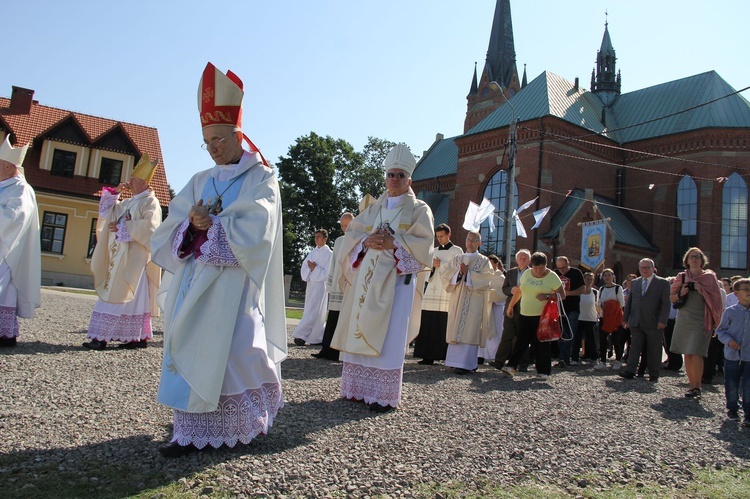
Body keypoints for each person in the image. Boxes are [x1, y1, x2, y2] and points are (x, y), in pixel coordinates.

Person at [150, 62, 286, 456]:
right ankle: (190, 431)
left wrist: (216, 226)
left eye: (220, 140)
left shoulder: (262, 177)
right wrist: (192, 226)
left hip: (233, 287)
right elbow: (169, 230)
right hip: (195, 283)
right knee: (187, 342)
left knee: (234, 353)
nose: (213, 148)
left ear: (238, 134)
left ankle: (242, 424)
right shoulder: (199, 179)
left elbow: (259, 228)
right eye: (207, 141)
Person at [330, 143, 434, 412]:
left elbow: (424, 244)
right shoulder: (374, 208)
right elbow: (352, 234)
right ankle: (356, 388)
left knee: (390, 333)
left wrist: (393, 243)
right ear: (385, 177)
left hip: (396, 282)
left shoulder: (419, 209)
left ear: (409, 180)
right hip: (367, 277)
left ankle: (383, 394)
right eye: (391, 174)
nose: (395, 179)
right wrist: (366, 240)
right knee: (358, 325)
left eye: (400, 175)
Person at [83, 155, 161, 350]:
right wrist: (116, 192)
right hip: (120, 256)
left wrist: (123, 228)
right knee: (127, 294)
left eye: (133, 180)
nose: (130, 183)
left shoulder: (150, 202)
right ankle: (136, 337)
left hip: (137, 257)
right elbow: (107, 212)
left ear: (144, 182)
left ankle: (101, 337)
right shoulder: (128, 202)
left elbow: (151, 227)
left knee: (121, 292)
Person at [0, 136, 40, 347]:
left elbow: (15, 217)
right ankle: (4, 333)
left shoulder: (21, 189)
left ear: (8, 165)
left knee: (5, 289)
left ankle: (6, 334)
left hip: (8, 249)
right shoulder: (5, 186)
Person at [669, 247, 724, 400]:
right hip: (684, 319)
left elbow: (716, 300)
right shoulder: (681, 277)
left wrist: (701, 290)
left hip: (702, 319)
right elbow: (672, 298)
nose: (694, 259)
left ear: (702, 260)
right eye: (691, 257)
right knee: (687, 352)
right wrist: (682, 292)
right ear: (687, 260)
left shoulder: (709, 278)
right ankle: (691, 385)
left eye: (697, 257)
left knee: (697, 351)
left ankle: (697, 386)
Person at [502, 252, 565, 380]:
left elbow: (562, 295)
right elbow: (519, 291)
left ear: (546, 265)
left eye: (540, 268)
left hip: (542, 316)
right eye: (535, 268)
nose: (537, 271)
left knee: (541, 343)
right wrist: (510, 306)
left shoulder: (552, 276)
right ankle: (511, 366)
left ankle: (543, 371)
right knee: (520, 341)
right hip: (525, 313)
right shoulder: (526, 274)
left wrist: (547, 296)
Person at [442, 231, 495, 375]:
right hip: (457, 299)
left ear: (480, 243)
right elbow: (445, 275)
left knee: (470, 329)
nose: (470, 242)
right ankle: (454, 362)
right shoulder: (457, 258)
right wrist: (459, 274)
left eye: (474, 240)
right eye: (468, 239)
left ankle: (467, 364)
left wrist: (469, 274)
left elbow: (487, 280)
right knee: (456, 327)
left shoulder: (484, 261)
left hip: (474, 302)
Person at [413, 223, 462, 365]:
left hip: (446, 291)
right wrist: (432, 267)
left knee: (443, 323)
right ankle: (427, 355)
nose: (439, 239)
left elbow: (457, 270)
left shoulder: (456, 251)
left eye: (442, 236)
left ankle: (444, 354)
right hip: (432, 289)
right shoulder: (433, 250)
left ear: (449, 235)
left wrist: (442, 265)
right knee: (428, 321)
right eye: (437, 237)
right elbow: (427, 270)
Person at [618, 259, 671, 382]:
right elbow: (630, 301)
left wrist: (663, 320)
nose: (645, 270)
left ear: (653, 268)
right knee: (634, 347)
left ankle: (654, 373)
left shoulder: (662, 283)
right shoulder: (635, 283)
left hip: (654, 322)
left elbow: (665, 304)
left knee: (654, 349)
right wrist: (625, 319)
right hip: (636, 321)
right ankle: (630, 371)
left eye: (647, 267)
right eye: (642, 268)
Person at [312, 213, 354, 361]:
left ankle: (341, 352)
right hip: (338, 284)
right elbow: (334, 264)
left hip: (350, 284)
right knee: (333, 318)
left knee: (346, 319)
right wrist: (330, 283)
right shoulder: (339, 241)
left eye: (347, 225)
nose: (344, 228)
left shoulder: (360, 239)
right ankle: (327, 350)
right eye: (342, 225)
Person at [715, 278, 750, 425]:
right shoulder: (730, 312)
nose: (749, 292)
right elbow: (721, 331)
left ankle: (748, 413)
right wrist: (729, 341)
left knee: (748, 385)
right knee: (732, 383)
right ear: (736, 293)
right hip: (732, 355)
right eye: (745, 290)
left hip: (749, 356)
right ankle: (732, 409)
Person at [489, 249, 531, 370]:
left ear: (529, 260)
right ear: (516, 260)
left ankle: (523, 364)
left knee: (522, 337)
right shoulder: (511, 273)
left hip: (525, 307)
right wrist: (511, 290)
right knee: (507, 335)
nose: (522, 260)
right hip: (510, 308)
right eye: (520, 258)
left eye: (525, 258)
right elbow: (504, 288)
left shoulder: (532, 273)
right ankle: (499, 361)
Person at [292, 229, 332, 347]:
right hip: (311, 285)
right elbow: (305, 266)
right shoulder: (312, 252)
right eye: (315, 237)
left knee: (314, 311)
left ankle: (301, 335)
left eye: (319, 237)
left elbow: (328, 272)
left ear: (325, 239)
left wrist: (315, 268)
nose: (316, 239)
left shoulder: (330, 254)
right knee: (310, 309)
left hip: (321, 285)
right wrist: (311, 269)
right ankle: (319, 336)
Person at [554, 256, 586, 367]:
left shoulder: (576, 273)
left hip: (573, 308)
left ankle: (564, 358)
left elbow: (583, 289)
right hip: (558, 308)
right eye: (559, 268)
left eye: (563, 268)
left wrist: (568, 293)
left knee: (569, 333)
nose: (561, 270)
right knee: (560, 334)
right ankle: (562, 357)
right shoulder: (555, 274)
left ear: (569, 264)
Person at [478, 255, 506, 363]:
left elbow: (501, 293)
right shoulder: (484, 275)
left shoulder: (500, 277)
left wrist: (488, 292)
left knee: (496, 332)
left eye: (490, 263)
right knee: (481, 331)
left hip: (496, 309)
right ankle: (481, 355)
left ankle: (493, 356)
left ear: (496, 264)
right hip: (484, 307)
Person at [595, 269, 625, 370]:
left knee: (616, 340)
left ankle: (618, 360)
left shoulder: (618, 288)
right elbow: (598, 302)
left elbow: (621, 303)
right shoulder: (602, 289)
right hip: (604, 317)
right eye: (605, 276)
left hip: (615, 318)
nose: (607, 277)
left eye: (609, 275)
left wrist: (609, 305)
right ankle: (602, 361)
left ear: (613, 276)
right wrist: (602, 307)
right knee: (603, 340)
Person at [578, 272, 600, 363]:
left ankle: (594, 357)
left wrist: (598, 316)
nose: (589, 281)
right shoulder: (579, 291)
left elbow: (598, 305)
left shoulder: (595, 292)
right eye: (587, 279)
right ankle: (575, 357)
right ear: (584, 280)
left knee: (591, 339)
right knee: (577, 339)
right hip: (579, 318)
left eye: (591, 279)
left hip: (591, 318)